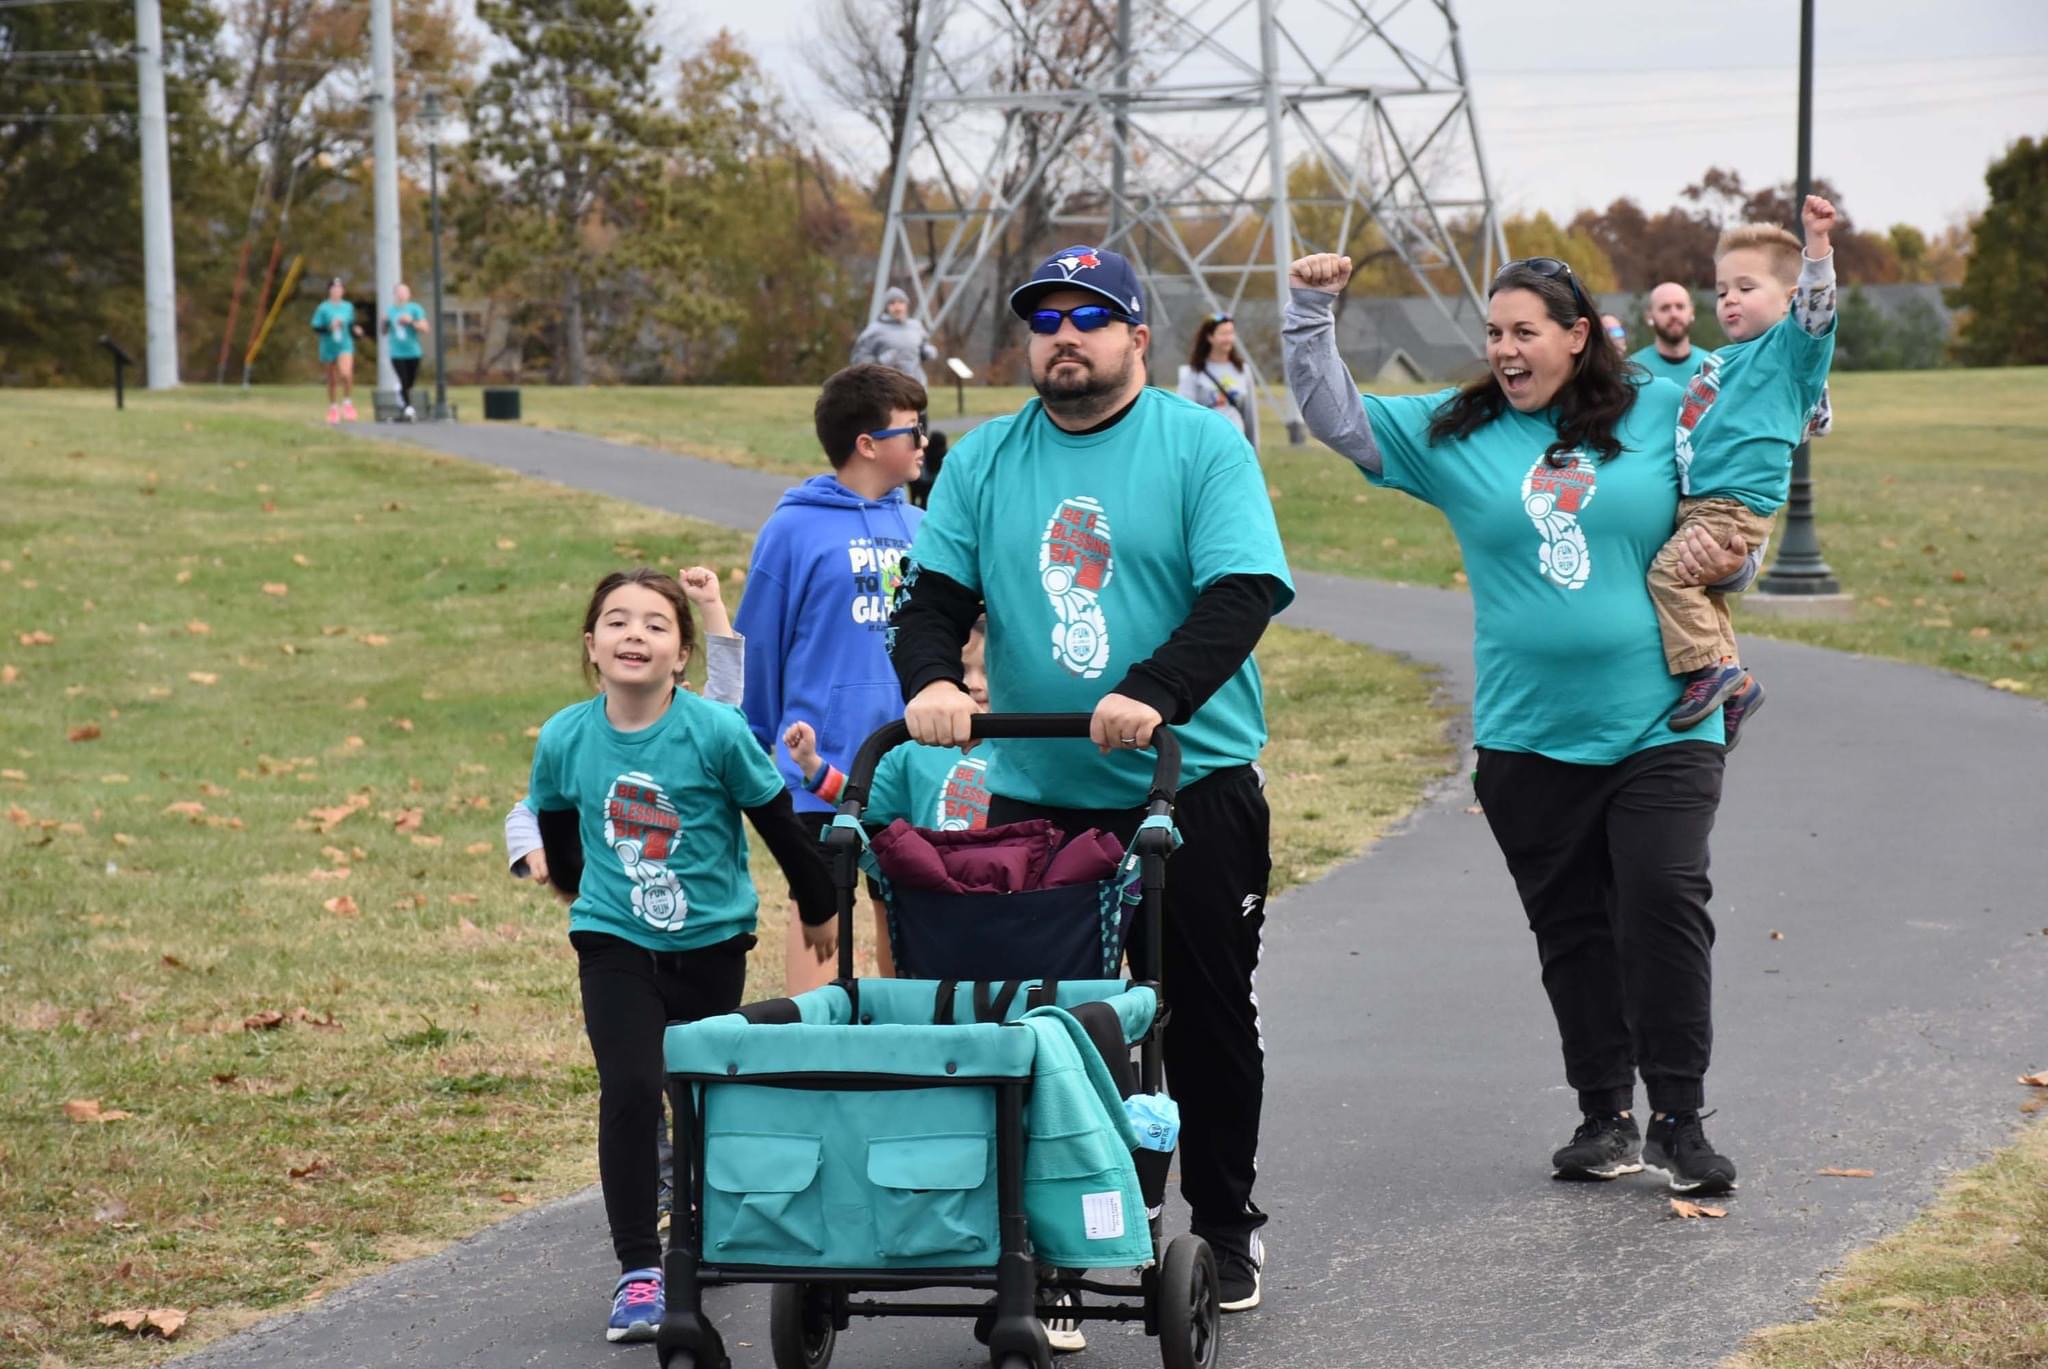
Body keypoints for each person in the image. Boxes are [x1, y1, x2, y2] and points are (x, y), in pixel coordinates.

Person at [1284, 249, 1760, 1198]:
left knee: (1664, 902)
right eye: (1493, 333)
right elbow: (1336, 415)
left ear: (1577, 336)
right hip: (1527, 736)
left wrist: (1730, 562)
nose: (1505, 350)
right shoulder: (1454, 432)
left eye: (1524, 332)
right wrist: (1308, 313)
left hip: (1664, 721)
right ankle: (1604, 1115)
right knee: (1573, 927)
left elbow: (1728, 519)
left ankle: (1679, 1117)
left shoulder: (1659, 411)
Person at [889, 244, 1293, 1313]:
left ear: (1135, 336)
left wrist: (1155, 690)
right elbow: (930, 597)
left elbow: (1242, 591)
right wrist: (931, 678)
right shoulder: (981, 458)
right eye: (1043, 319)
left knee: (1203, 1016)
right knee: (1042, 1022)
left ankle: (1221, 1224)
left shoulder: (1200, 443)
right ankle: (1051, 1243)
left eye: (1088, 316)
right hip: (1037, 791)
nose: (1062, 336)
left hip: (1186, 779)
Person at [524, 569, 835, 1343]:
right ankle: (639, 1270)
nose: (636, 634)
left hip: (712, 944)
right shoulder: (565, 735)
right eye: (618, 621)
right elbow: (559, 836)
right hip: (613, 940)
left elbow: (778, 823)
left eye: (657, 624)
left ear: (682, 656)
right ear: (591, 646)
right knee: (629, 1087)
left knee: (696, 1094)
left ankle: (696, 1232)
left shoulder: (715, 732)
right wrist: (577, 890)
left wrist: (821, 903)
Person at [736, 363, 926, 994]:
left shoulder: (923, 530)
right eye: (911, 429)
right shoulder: (793, 529)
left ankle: (909, 1054)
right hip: (817, 769)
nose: (924, 442)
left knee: (905, 914)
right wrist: (748, 744)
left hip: (909, 767)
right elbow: (759, 644)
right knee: (821, 912)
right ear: (867, 444)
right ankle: (810, 1057)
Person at [1658, 196, 1839, 745]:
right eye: (1721, 291)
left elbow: (1817, 310)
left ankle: (1709, 673)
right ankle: (1738, 687)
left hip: (1734, 500)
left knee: (1670, 576)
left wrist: (1817, 249)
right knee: (1705, 596)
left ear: (1787, 300)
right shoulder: (1723, 358)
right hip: (1703, 498)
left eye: (1745, 287)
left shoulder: (1791, 348)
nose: (1730, 300)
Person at [852, 288, 949, 509]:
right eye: (893, 303)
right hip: (887, 398)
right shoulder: (874, 332)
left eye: (901, 302)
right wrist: (879, 359)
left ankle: (920, 490)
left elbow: (923, 346)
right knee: (893, 445)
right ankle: (887, 490)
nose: (897, 307)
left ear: (906, 305)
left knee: (918, 443)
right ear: (887, 307)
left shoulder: (915, 327)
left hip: (915, 395)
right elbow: (858, 360)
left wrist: (927, 351)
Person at [1177, 312, 1260, 447]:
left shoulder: (1242, 370)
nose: (1228, 338)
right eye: (1223, 334)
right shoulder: (1195, 372)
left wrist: (1253, 452)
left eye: (1231, 333)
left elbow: (1250, 416)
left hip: (1236, 443)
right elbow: (1184, 414)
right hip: (1207, 445)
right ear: (1210, 337)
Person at [1630, 281, 1709, 384]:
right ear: (1649, 316)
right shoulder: (1633, 370)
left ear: (1692, 313)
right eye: (1665, 308)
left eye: (1680, 307)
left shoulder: (1710, 367)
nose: (1674, 314)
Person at [310, 277, 363, 425]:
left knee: (346, 373)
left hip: (345, 345)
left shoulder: (348, 307)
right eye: (334, 288)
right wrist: (329, 327)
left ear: (343, 291)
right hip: (328, 346)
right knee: (332, 379)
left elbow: (351, 325)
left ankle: (347, 402)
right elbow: (316, 327)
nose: (337, 291)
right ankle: (333, 407)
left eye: (339, 288)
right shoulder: (323, 308)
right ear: (329, 291)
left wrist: (357, 331)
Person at [383, 282, 430, 421]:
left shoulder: (415, 309)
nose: (402, 295)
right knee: (403, 379)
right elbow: (384, 331)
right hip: (396, 352)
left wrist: (410, 322)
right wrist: (384, 322)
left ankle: (402, 397)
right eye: (399, 292)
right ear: (395, 294)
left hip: (413, 351)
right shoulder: (390, 311)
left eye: (405, 292)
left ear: (409, 294)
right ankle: (408, 408)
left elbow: (425, 328)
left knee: (410, 382)